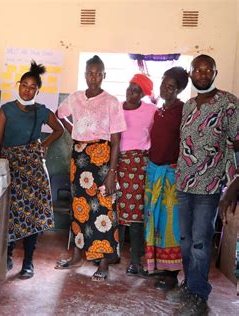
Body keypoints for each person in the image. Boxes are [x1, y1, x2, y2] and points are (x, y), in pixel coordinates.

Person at [167, 55, 237, 315]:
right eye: (198, 69)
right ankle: (189, 285)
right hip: (184, 183)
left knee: (200, 242)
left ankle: (198, 293)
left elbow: (237, 142)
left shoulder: (228, 103)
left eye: (209, 70)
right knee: (185, 240)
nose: (203, 74)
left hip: (209, 186)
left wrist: (233, 184)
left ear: (215, 73)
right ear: (191, 73)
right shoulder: (188, 105)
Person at [55, 55, 126, 282]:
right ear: (85, 74)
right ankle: (76, 256)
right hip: (79, 158)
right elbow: (59, 114)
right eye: (89, 73)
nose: (93, 77)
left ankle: (104, 262)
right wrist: (74, 132)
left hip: (103, 159)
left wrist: (112, 174)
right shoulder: (75, 98)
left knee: (103, 209)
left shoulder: (112, 102)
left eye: (98, 73)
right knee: (79, 208)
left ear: (104, 75)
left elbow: (116, 140)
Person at [0, 60, 63, 279]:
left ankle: (29, 262)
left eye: (32, 87)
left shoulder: (41, 111)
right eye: (24, 85)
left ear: (38, 91)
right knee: (11, 215)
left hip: (33, 169)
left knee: (32, 216)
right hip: (10, 165)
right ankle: (8, 256)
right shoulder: (6, 110)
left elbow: (59, 130)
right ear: (18, 85)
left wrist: (44, 145)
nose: (27, 89)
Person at [143, 67, 189, 290]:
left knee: (171, 224)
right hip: (154, 172)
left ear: (179, 90)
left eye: (171, 87)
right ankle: (158, 266)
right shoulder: (159, 109)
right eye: (163, 84)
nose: (165, 90)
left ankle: (172, 273)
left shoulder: (183, 110)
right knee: (154, 220)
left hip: (171, 175)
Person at [117, 74, 156, 276]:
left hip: (139, 166)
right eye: (130, 88)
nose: (131, 93)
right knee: (115, 211)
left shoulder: (151, 111)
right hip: (116, 163)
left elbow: (157, 134)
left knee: (135, 216)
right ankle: (112, 254)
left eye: (136, 90)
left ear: (143, 94)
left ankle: (135, 261)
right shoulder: (116, 108)